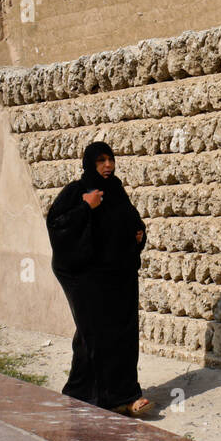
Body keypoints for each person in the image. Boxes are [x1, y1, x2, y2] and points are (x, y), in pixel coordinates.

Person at [45, 140, 154, 416]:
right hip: (81, 274)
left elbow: (132, 221)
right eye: (101, 161)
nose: (108, 165)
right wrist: (85, 207)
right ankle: (113, 397)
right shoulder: (77, 191)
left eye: (111, 160)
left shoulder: (116, 191)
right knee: (97, 332)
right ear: (90, 164)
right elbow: (57, 227)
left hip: (117, 274)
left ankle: (90, 392)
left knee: (118, 332)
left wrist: (139, 235)